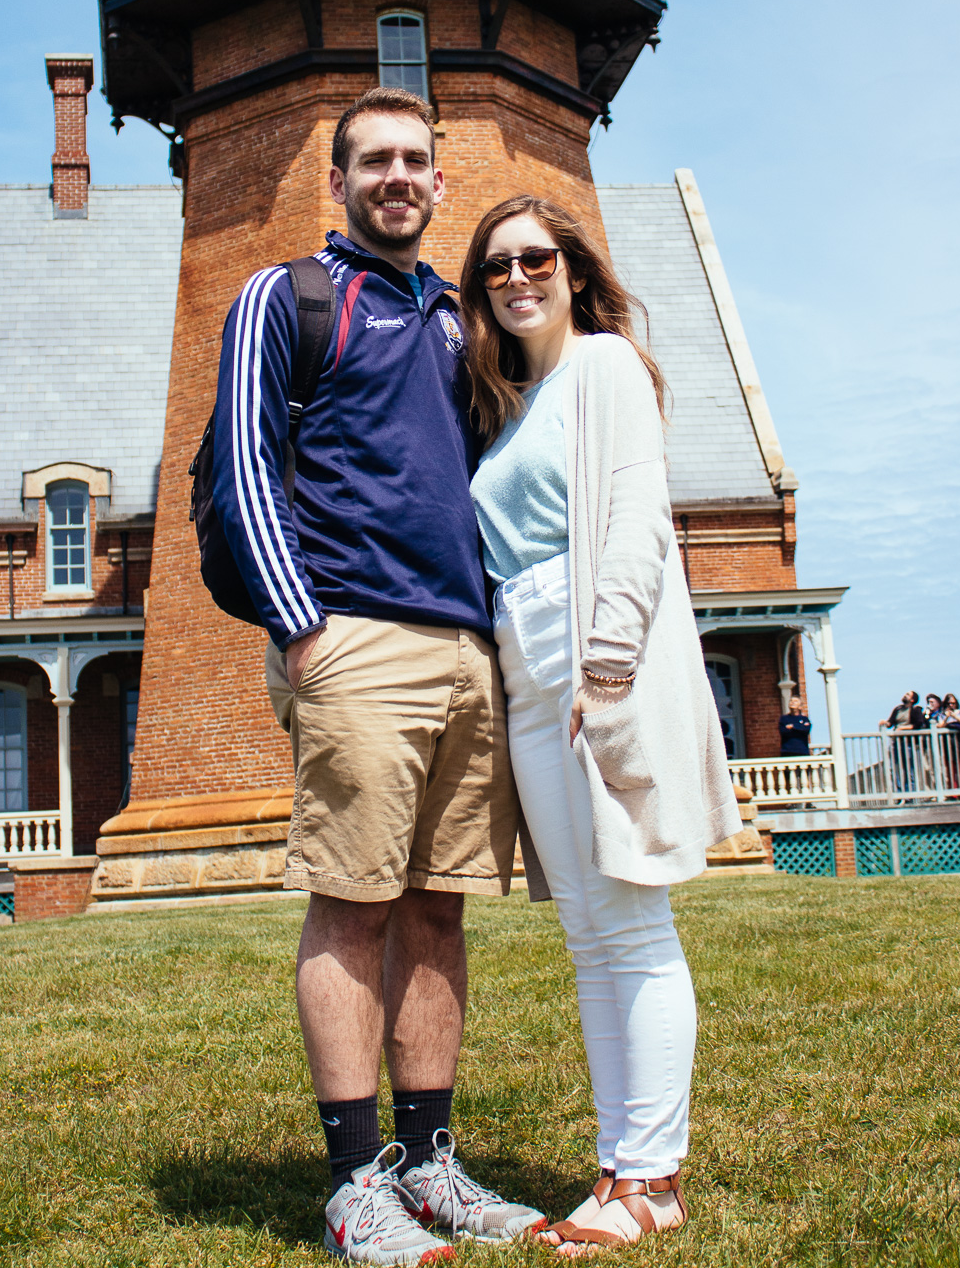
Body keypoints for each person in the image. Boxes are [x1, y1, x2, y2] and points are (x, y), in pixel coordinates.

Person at [212, 88, 543, 1263]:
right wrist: (304, 627)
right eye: (375, 160)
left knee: (437, 907)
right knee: (353, 900)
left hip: (466, 647)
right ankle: (357, 1182)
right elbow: (245, 460)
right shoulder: (287, 295)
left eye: (416, 159)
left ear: (439, 183)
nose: (398, 176)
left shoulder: (461, 316)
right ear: (337, 180)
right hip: (354, 635)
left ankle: (431, 1165)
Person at [462, 195, 742, 1253]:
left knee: (635, 922)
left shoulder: (608, 367)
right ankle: (617, 1164)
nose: (517, 277)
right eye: (497, 267)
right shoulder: (509, 401)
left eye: (536, 258)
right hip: (526, 675)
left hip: (588, 660)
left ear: (574, 270)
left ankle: (654, 1178)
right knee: (589, 935)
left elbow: (635, 515)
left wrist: (610, 662)